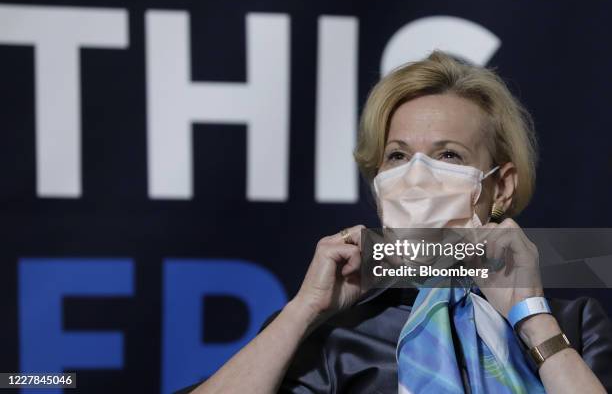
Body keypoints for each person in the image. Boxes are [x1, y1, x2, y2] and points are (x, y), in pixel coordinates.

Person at [181, 51, 612, 393]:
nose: (417, 177)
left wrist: (532, 319)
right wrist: (302, 313)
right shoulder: (340, 336)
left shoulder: (575, 324)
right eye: (398, 156)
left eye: (448, 155)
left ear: (501, 187)